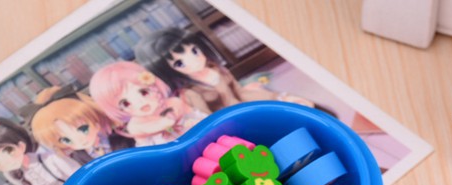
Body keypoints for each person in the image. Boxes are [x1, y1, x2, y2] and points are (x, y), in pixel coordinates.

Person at [134, 28, 313, 113]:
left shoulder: (216, 69)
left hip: (251, 109)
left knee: (302, 106)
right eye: (179, 63)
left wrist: (278, 97)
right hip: (236, 126)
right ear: (169, 71)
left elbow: (240, 93)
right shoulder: (190, 93)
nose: (195, 61)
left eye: (194, 51)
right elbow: (210, 123)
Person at [88, 60, 205, 147]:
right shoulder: (136, 125)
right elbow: (148, 149)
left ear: (153, 85)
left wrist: (193, 122)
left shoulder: (174, 103)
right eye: (126, 103)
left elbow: (202, 118)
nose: (140, 102)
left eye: (143, 92)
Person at [30, 86, 133, 164]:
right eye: (66, 140)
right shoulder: (79, 156)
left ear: (95, 120)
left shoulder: (124, 134)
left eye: (83, 129)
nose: (79, 140)